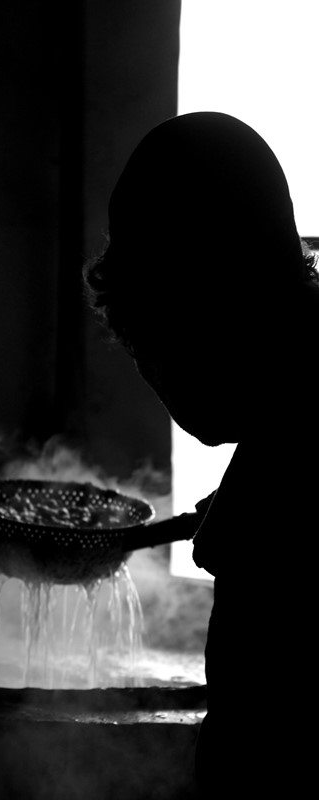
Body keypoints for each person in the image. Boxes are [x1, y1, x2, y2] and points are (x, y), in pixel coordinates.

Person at [83, 111, 318, 798]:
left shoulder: (283, 516)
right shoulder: (292, 427)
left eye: (149, 346)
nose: (160, 384)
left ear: (201, 313)